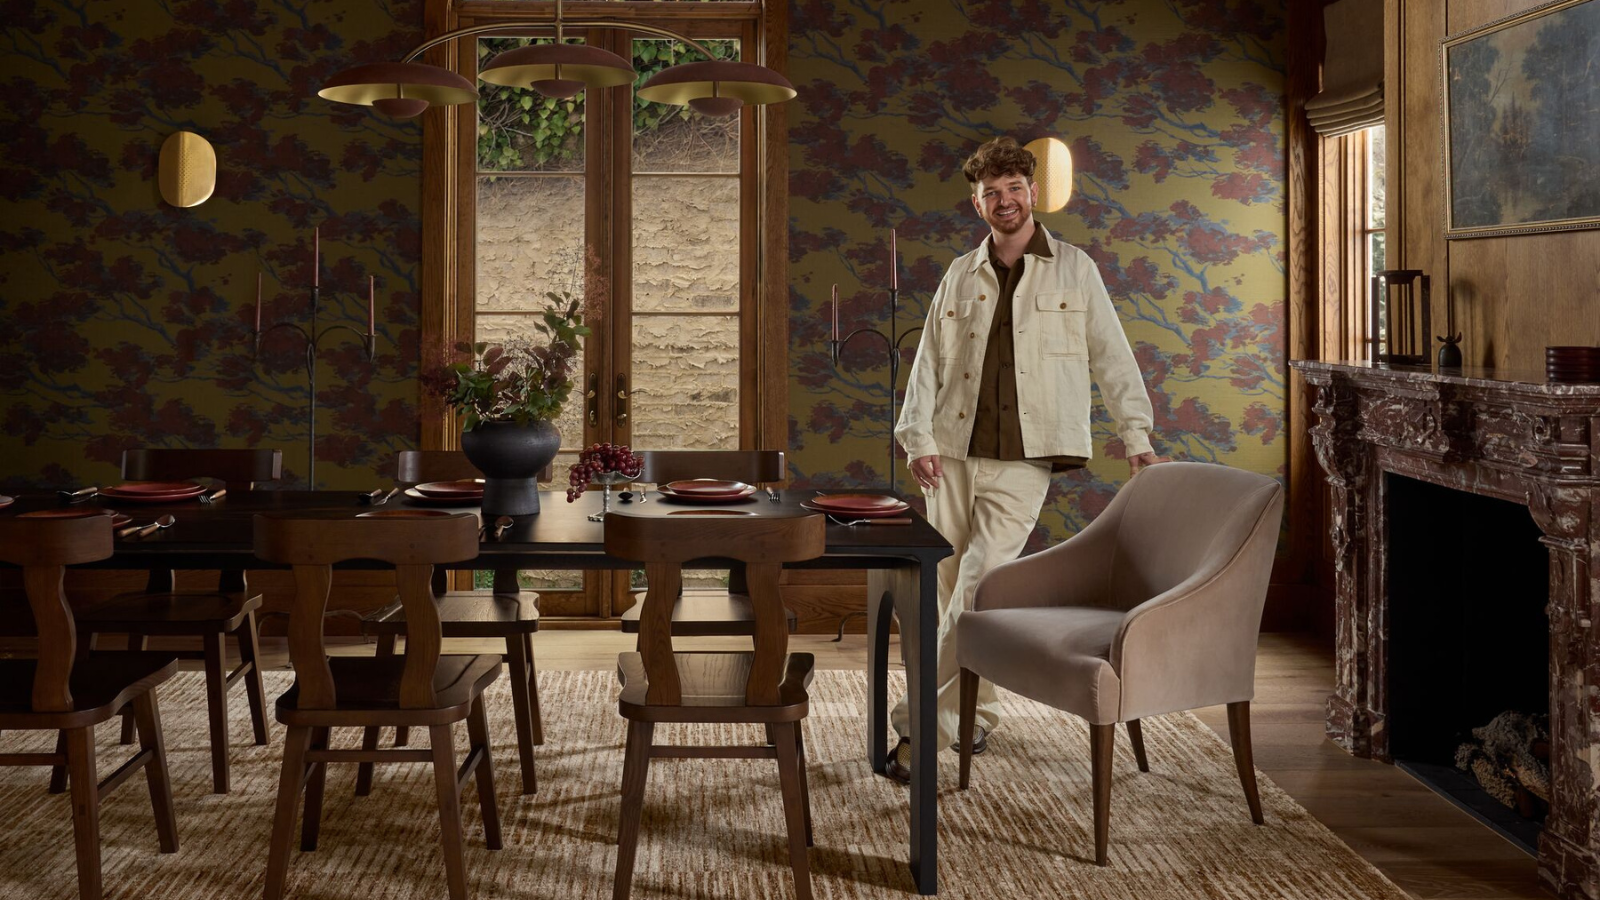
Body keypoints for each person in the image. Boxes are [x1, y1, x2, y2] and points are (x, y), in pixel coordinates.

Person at [888, 136, 1163, 783]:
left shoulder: (1075, 269)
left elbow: (1111, 355)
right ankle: (974, 716)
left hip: (1025, 459)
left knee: (979, 591)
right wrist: (917, 439)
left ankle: (920, 732)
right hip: (950, 455)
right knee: (945, 591)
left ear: (1032, 193)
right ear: (975, 201)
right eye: (991, 193)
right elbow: (928, 361)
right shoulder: (961, 272)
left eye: (1014, 189)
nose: (1003, 201)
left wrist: (1137, 433)